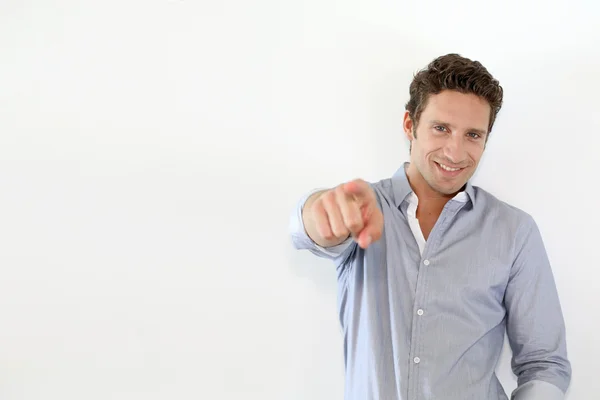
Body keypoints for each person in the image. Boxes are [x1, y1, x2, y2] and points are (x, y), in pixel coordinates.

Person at [288, 53, 571, 400]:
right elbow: (307, 228)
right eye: (441, 128)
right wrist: (320, 210)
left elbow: (544, 363)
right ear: (410, 125)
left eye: (472, 135)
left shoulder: (515, 232)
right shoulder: (361, 210)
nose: (455, 152)